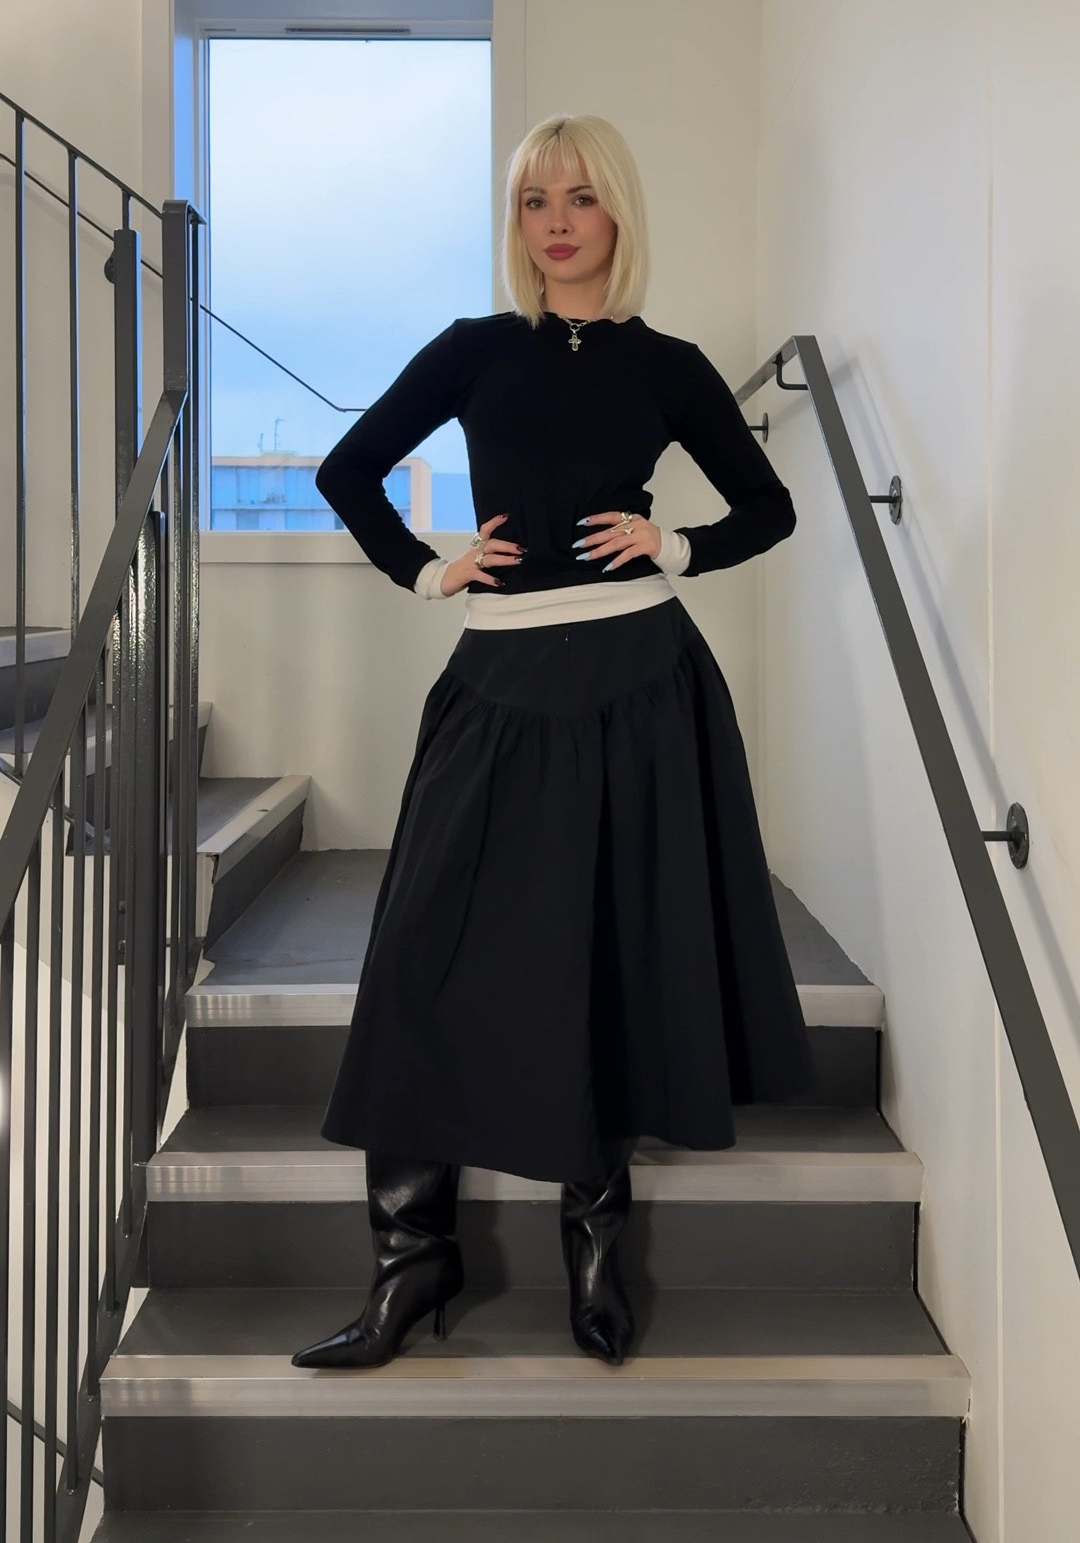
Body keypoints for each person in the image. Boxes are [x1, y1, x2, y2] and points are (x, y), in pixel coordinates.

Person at [291, 113, 815, 1374]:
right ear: (516, 222)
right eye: (535, 201)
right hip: (499, 681)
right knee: (419, 952)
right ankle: (412, 1261)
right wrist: (429, 568)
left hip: (642, 683)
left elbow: (770, 506)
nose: (558, 222)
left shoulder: (667, 365)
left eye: (580, 197)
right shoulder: (474, 351)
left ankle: (594, 1249)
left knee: (605, 955)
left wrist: (675, 544)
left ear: (617, 212)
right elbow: (348, 471)